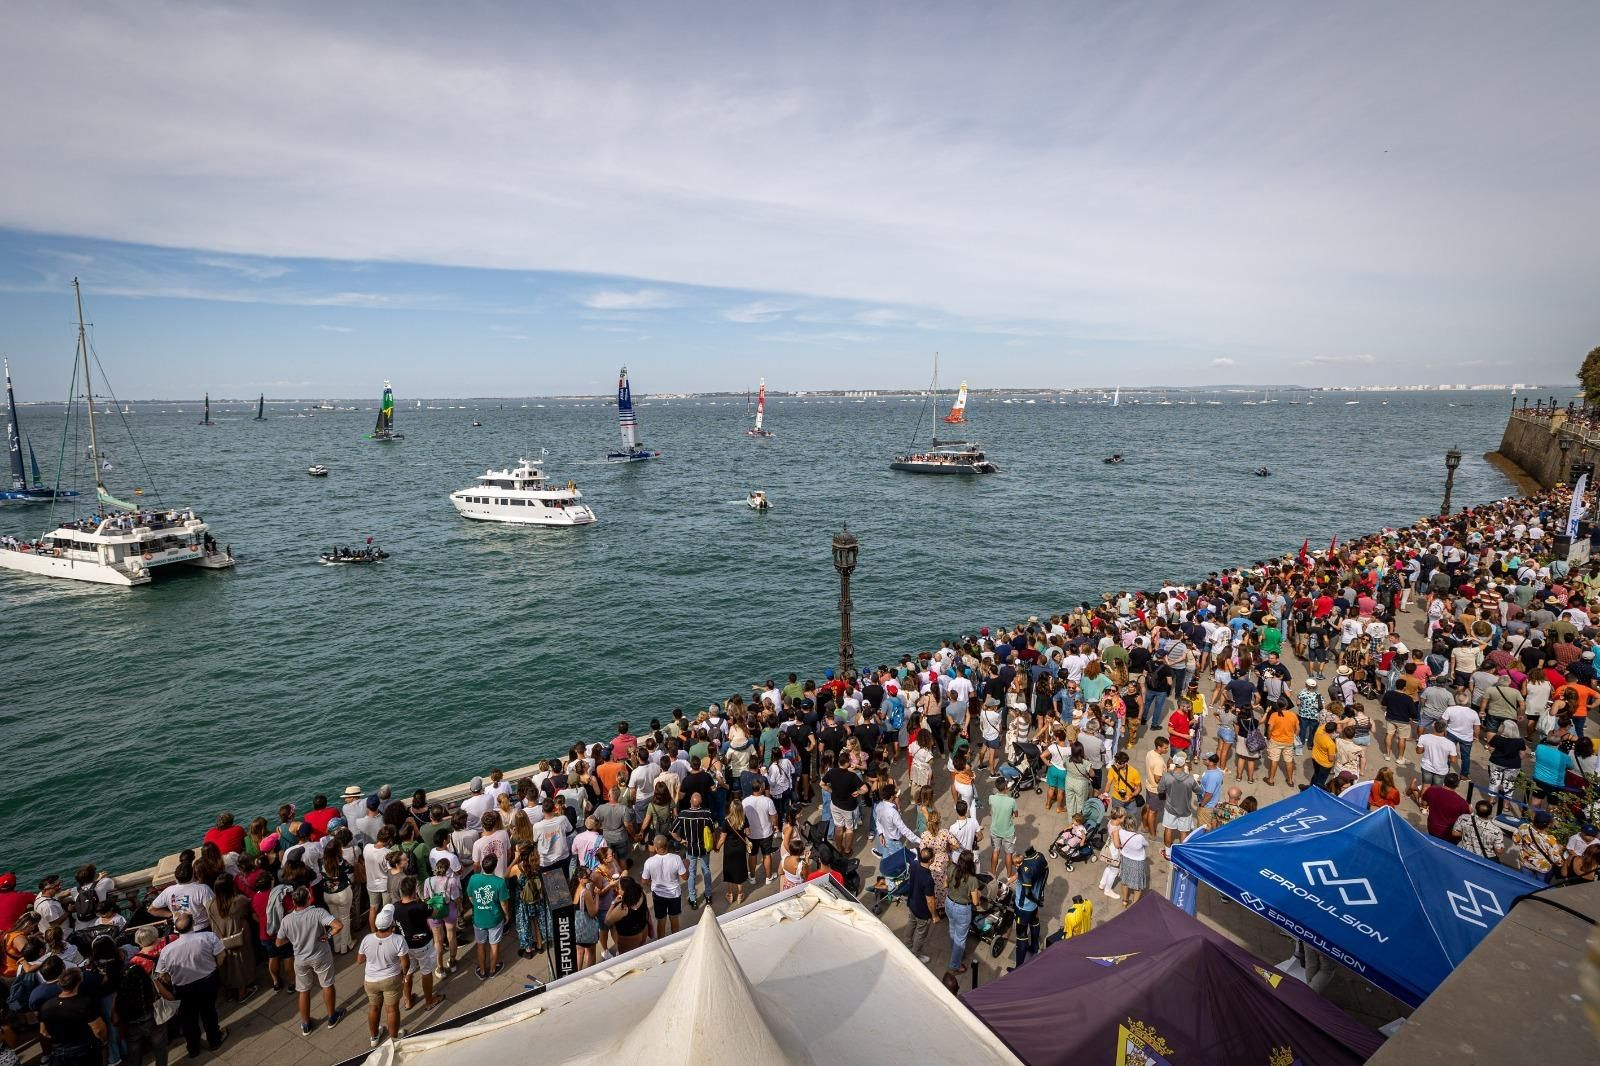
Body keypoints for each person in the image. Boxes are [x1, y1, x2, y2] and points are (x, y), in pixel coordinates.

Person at [152, 913, 228, 1058]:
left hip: (184, 988)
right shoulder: (208, 937)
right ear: (193, 924)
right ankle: (214, 1040)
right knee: (209, 1012)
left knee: (189, 1019)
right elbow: (222, 955)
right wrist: (213, 968)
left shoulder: (167, 950)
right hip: (207, 981)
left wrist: (171, 980)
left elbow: (162, 974)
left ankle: (193, 1048)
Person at [276, 885, 345, 1034]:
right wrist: (328, 935)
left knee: (303, 990)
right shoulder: (318, 912)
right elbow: (338, 925)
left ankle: (306, 1024)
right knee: (327, 985)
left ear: (294, 902)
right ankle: (332, 1016)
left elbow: (279, 942)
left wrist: (295, 940)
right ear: (308, 898)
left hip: (300, 959)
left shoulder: (287, 920)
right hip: (320, 955)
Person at [358, 905, 410, 1049]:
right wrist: (403, 974)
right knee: (392, 1010)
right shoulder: (398, 940)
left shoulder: (367, 939)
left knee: (373, 1008)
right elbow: (405, 963)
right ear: (391, 924)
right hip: (391, 979)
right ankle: (393, 1039)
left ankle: (374, 1037)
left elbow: (360, 960)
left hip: (371, 980)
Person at [39, 966, 106, 1066]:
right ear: (80, 981)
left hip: (59, 1052)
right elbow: (99, 1030)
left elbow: (43, 1032)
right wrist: (102, 1041)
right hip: (84, 1052)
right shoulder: (85, 1003)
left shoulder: (46, 1005)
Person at [394, 877, 443, 1011]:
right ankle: (429, 1000)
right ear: (414, 891)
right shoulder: (419, 906)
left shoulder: (395, 907)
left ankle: (408, 1000)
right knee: (426, 971)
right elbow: (435, 913)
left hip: (405, 946)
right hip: (423, 945)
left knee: (408, 971)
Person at [466, 853, 511, 980]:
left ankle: (482, 971)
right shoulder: (500, 882)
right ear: (495, 867)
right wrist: (507, 915)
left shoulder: (473, 879)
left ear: (482, 865)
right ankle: (492, 969)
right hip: (495, 919)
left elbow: (470, 896)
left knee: (480, 944)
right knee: (494, 944)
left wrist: (478, 905)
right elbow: (503, 903)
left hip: (479, 919)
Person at [943, 851, 981, 976]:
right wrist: (978, 895)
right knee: (961, 938)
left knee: (952, 929)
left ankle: (956, 951)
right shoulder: (972, 879)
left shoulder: (951, 868)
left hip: (949, 902)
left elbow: (944, 884)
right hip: (962, 909)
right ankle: (955, 965)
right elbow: (975, 902)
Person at [641, 834, 687, 937]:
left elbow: (644, 881)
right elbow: (685, 877)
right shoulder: (676, 858)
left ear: (656, 848)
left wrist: (651, 882)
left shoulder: (649, 862)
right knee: (674, 918)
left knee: (661, 921)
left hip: (658, 895)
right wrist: (686, 866)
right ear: (668, 845)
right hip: (674, 894)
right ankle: (675, 940)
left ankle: (661, 943)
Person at [903, 847, 938, 964]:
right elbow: (930, 901)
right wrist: (934, 915)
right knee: (921, 933)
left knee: (911, 924)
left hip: (912, 903)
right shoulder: (928, 879)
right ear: (931, 860)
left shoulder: (914, 865)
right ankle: (915, 955)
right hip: (922, 910)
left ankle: (906, 946)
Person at [718, 808, 752, 907]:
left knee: (730, 870)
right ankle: (740, 894)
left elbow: (722, 838)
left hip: (729, 849)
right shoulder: (744, 819)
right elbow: (748, 832)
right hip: (740, 848)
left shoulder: (726, 821)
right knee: (740, 870)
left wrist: (717, 848)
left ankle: (731, 894)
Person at [1262, 701, 1299, 787]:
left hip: (1275, 740)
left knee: (1274, 760)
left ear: (1278, 706)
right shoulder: (1293, 715)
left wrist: (1269, 736)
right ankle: (1290, 780)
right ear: (1286, 705)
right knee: (1289, 761)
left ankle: (1271, 779)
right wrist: (1294, 737)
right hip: (1289, 741)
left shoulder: (1274, 715)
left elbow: (1270, 728)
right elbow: (1298, 729)